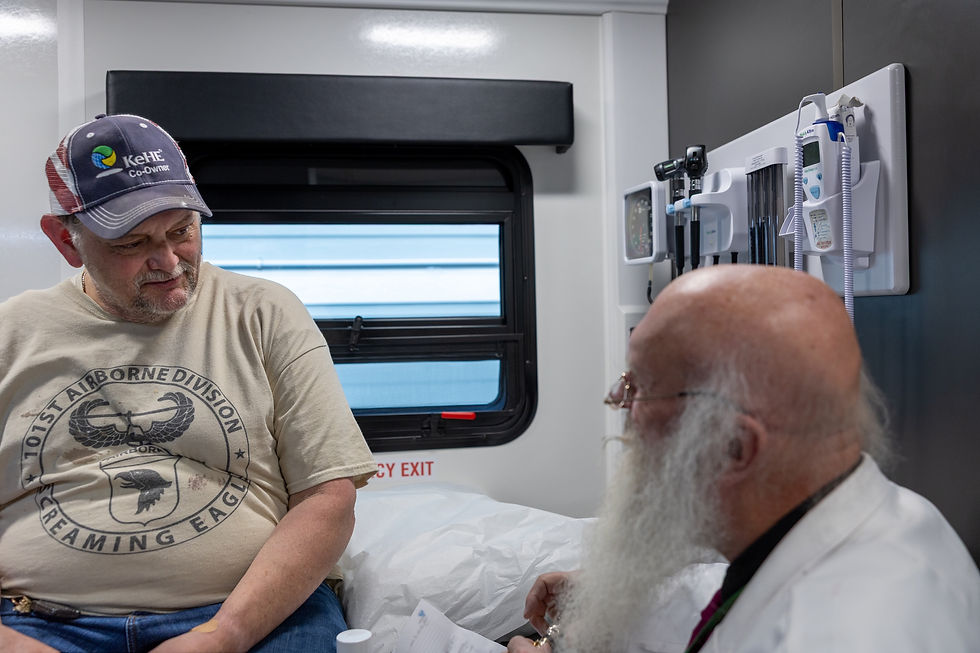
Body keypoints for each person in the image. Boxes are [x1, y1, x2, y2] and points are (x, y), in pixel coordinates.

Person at [0, 114, 378, 652]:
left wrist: (225, 634)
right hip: (39, 621)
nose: (169, 262)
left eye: (182, 231)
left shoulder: (264, 313)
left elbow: (328, 496)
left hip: (249, 610)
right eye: (132, 243)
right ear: (67, 239)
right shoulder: (11, 333)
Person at [508, 264, 980, 652]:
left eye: (640, 389)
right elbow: (736, 600)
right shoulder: (882, 515)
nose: (618, 403)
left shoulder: (837, 632)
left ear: (733, 446)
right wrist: (615, 597)